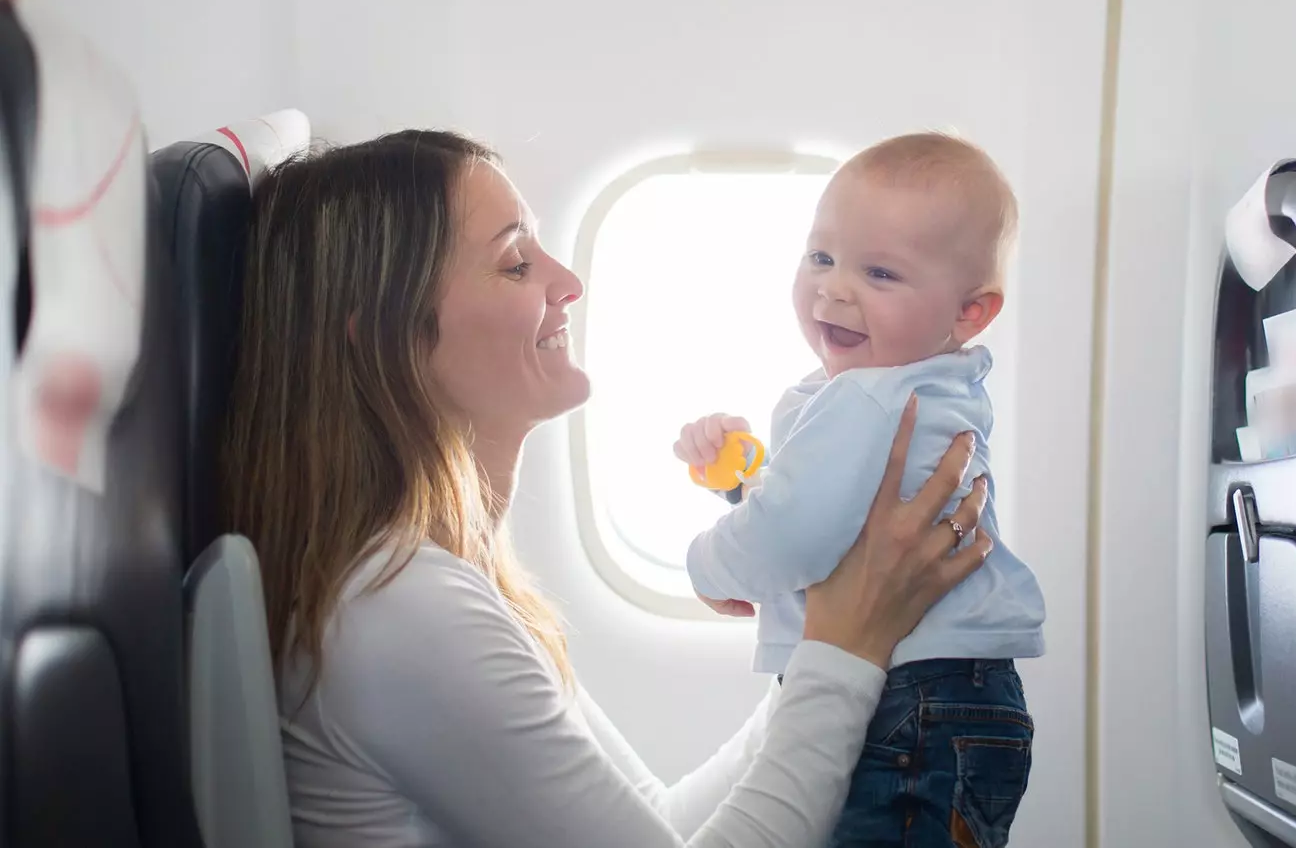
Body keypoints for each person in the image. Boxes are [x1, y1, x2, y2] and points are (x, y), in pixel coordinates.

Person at [219, 128, 995, 848]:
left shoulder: (453, 581)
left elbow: (659, 823)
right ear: (387, 331)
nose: (567, 281)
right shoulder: (399, 609)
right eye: (516, 263)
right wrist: (844, 643)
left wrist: (841, 627)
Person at [674, 132, 1046, 848]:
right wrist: (743, 481)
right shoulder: (921, 387)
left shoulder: (868, 400)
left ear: (970, 312)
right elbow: (834, 514)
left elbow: (796, 536)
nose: (833, 287)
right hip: (953, 702)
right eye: (821, 256)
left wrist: (707, 565)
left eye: (879, 273)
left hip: (907, 705)